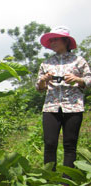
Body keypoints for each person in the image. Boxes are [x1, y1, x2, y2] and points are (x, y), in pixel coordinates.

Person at [36, 26, 91, 172]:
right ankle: (48, 180)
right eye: (51, 40)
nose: (53, 43)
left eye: (56, 39)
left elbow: (88, 80)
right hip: (51, 107)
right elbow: (39, 87)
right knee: (50, 143)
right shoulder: (46, 63)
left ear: (66, 41)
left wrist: (77, 79)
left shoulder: (78, 61)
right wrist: (43, 80)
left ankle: (67, 182)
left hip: (73, 106)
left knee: (70, 144)